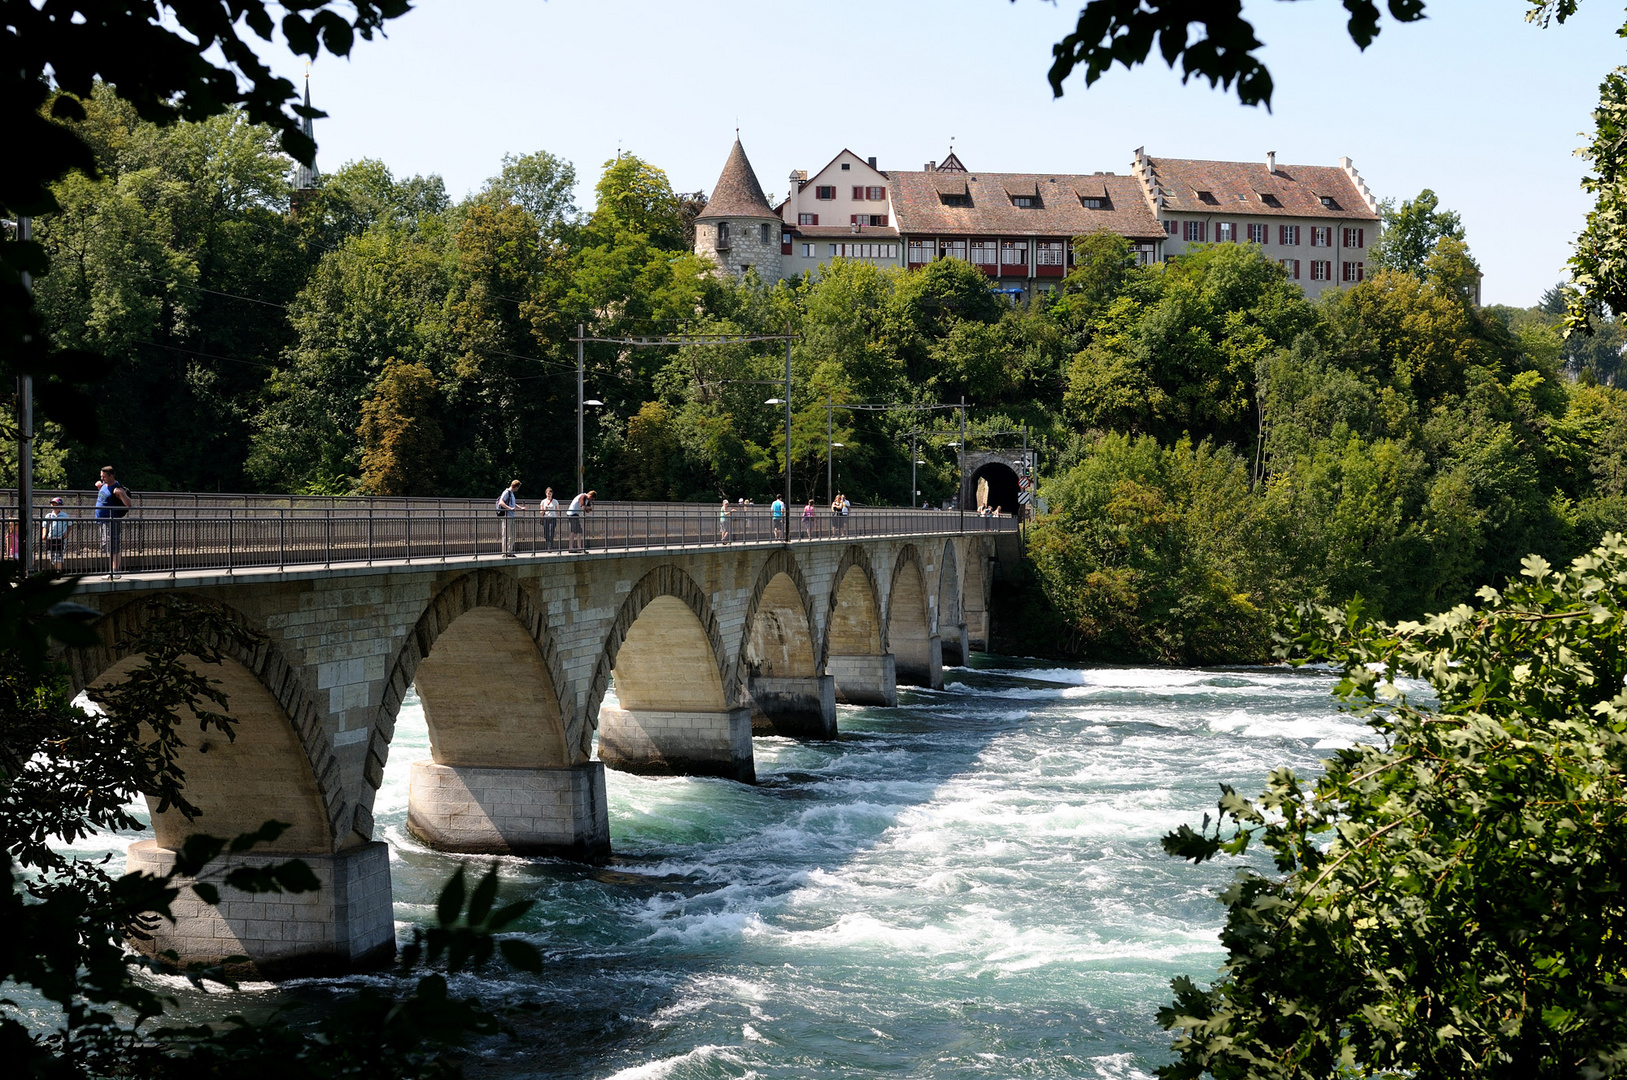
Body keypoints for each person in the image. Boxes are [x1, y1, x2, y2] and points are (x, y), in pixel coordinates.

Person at [95, 466, 132, 576]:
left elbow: (129, 504)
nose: (102, 478)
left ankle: (115, 571)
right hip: (103, 521)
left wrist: (121, 494)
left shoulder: (117, 488)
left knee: (114, 546)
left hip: (112, 521)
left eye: (104, 476)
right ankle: (112, 570)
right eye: (101, 476)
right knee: (108, 546)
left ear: (111, 476)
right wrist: (99, 487)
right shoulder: (104, 485)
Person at [495, 479, 523, 557]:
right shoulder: (506, 492)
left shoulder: (511, 493)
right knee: (506, 535)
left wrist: (519, 507)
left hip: (511, 516)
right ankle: (505, 552)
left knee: (513, 535)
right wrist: (509, 508)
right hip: (506, 516)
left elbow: (513, 503)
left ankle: (509, 551)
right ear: (516, 487)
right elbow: (501, 502)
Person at [42, 496, 70, 572]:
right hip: (51, 538)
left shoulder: (65, 516)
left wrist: (67, 533)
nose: (54, 507)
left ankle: (58, 572)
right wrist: (44, 534)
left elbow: (69, 525)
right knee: (52, 557)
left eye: (56, 505)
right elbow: (44, 526)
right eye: (53, 505)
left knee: (59, 556)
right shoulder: (49, 516)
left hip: (61, 539)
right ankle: (57, 570)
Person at [539, 486, 560, 551]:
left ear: (552, 494)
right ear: (546, 494)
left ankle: (550, 547)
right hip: (546, 518)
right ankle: (548, 543)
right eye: (548, 493)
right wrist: (544, 509)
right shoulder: (543, 501)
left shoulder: (555, 501)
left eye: (550, 494)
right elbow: (541, 512)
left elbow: (557, 510)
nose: (549, 495)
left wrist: (558, 516)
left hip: (553, 518)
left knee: (551, 532)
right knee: (546, 533)